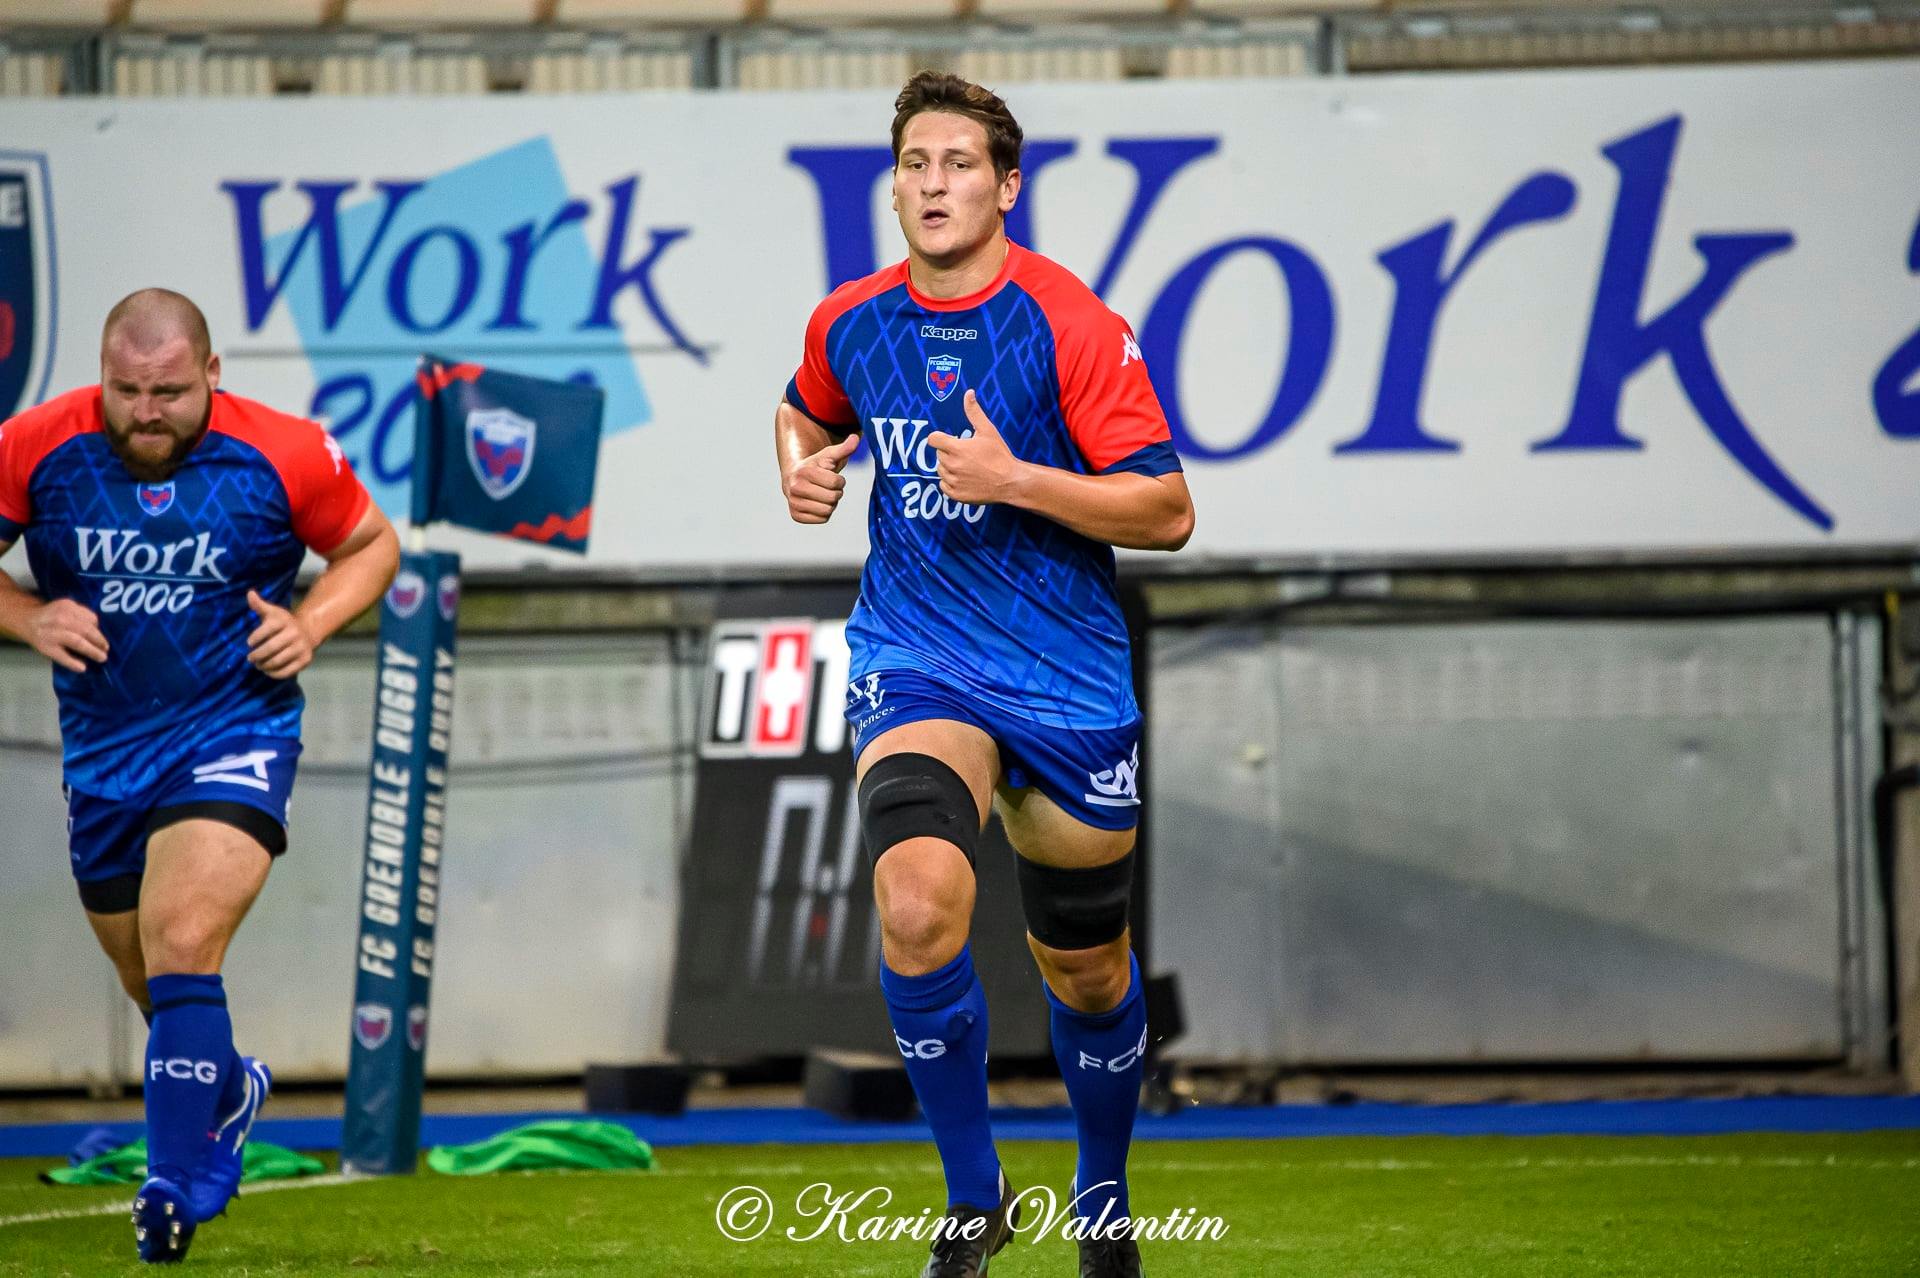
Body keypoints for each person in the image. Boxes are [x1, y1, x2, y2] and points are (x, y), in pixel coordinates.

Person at [778, 72, 1194, 1278]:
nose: (934, 185)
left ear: (1007, 186)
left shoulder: (1071, 322)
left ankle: (1103, 1195)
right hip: (920, 656)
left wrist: (1019, 482)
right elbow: (801, 415)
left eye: (960, 164)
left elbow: (1166, 510)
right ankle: (976, 1198)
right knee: (915, 908)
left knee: (1090, 968)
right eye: (916, 163)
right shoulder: (849, 319)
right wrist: (798, 471)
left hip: (1065, 679)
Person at [0, 288, 398, 1263]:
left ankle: (175, 1186)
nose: (146, 412)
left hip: (233, 730)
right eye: (127, 391)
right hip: (102, 753)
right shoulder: (32, 447)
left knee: (182, 943)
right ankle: (227, 1089)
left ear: (211, 376)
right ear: (102, 378)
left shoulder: (286, 451)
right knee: (153, 983)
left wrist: (309, 625)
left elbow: (371, 545)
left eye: (169, 392)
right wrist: (27, 617)